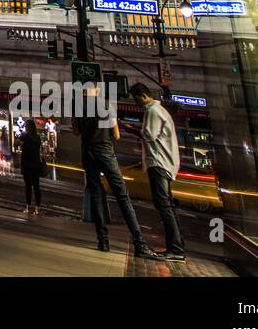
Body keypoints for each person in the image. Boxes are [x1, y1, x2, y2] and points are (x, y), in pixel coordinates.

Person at [75, 86, 160, 258]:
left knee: (96, 195)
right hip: (105, 152)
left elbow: (76, 131)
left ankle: (103, 241)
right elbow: (116, 134)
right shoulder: (106, 105)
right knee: (122, 195)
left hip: (88, 154)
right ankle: (139, 243)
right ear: (96, 90)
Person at [130, 83, 186, 261]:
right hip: (164, 163)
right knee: (167, 206)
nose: (135, 102)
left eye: (135, 98)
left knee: (164, 206)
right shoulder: (159, 111)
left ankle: (176, 249)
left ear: (142, 96)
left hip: (159, 163)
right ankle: (177, 246)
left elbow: (148, 135)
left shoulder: (153, 111)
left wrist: (128, 129)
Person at [20, 118, 45, 216]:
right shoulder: (38, 137)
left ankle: (28, 207)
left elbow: (16, 143)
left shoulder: (24, 136)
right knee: (36, 187)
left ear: (27, 127)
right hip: (36, 164)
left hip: (27, 165)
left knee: (28, 187)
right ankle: (38, 208)